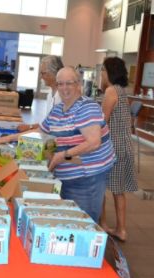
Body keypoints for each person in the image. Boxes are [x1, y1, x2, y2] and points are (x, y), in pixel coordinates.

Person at [41, 66, 115, 222]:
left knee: (82, 220)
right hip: (66, 174)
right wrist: (10, 138)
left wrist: (64, 155)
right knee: (69, 218)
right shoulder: (59, 109)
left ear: (78, 84)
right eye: (60, 84)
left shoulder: (87, 107)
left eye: (69, 83)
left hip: (88, 175)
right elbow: (43, 130)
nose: (64, 88)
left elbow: (94, 142)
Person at [99, 57, 138, 242]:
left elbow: (102, 121)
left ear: (109, 72)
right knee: (118, 190)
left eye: (103, 70)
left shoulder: (110, 91)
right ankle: (121, 229)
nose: (101, 74)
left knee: (99, 185)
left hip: (113, 148)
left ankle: (103, 224)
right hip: (124, 146)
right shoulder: (122, 90)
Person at [0, 55, 64, 143]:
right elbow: (46, 124)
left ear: (55, 73)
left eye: (43, 73)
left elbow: (47, 130)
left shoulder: (62, 97)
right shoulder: (50, 93)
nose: (41, 77)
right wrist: (29, 127)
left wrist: (11, 138)